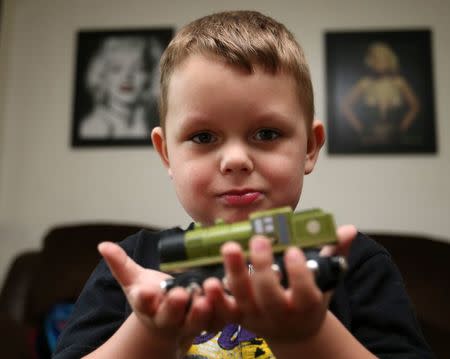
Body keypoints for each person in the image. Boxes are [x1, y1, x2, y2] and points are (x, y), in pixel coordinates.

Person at [55, 11, 433, 358]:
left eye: (266, 133)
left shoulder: (354, 265)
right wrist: (149, 332)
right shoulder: (133, 265)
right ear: (167, 153)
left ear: (310, 147)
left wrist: (310, 337)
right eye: (203, 137)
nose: (236, 160)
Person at [79, 36, 162, 139]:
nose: (127, 76)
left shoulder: (151, 123)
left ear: (150, 76)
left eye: (139, 68)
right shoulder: (95, 125)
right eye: (117, 69)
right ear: (102, 75)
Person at [341, 41, 420, 145]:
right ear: (370, 61)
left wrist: (402, 128)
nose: (379, 62)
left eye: (382, 58)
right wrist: (361, 129)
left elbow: (415, 106)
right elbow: (344, 106)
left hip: (397, 140)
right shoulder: (364, 84)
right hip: (368, 140)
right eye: (375, 59)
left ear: (390, 59)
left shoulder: (399, 83)